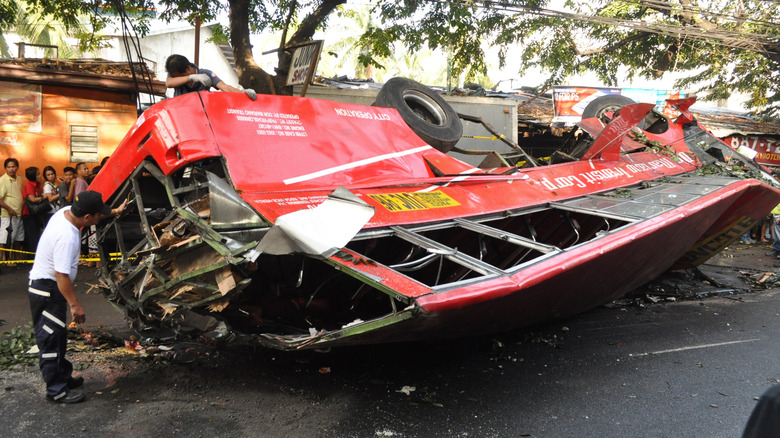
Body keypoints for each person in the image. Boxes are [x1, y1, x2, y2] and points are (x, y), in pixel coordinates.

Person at [28, 190, 127, 403]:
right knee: (51, 340)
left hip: (49, 289)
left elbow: (99, 213)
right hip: (47, 290)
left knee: (58, 336)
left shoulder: (66, 211)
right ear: (87, 219)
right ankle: (56, 391)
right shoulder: (67, 237)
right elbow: (61, 276)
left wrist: (116, 211)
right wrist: (75, 305)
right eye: (97, 215)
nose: (99, 217)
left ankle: (63, 376)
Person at [164, 54, 257, 100]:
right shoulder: (175, 73)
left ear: (188, 68)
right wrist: (191, 77)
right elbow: (169, 83)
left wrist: (242, 93)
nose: (179, 78)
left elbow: (224, 87)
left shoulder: (207, 74)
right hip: (180, 115)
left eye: (182, 75)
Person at [0, 158, 25, 266]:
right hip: (8, 215)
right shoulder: (3, 180)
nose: (11, 169)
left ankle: (14, 258)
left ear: (17, 167)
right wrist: (9, 209)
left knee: (18, 238)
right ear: (5, 168)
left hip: (18, 215)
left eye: (13, 166)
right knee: (5, 239)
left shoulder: (19, 179)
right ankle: (4, 260)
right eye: (9, 167)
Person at [21, 166, 45, 253]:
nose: (40, 176)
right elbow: (32, 199)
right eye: (38, 174)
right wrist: (44, 197)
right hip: (28, 214)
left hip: (35, 214)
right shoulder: (29, 185)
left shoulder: (38, 185)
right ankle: (33, 256)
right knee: (33, 236)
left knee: (36, 234)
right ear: (33, 176)